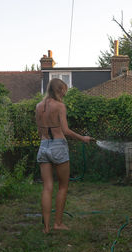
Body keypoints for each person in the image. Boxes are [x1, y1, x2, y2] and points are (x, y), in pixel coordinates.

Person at [36, 78, 95, 234]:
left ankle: (46, 227)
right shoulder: (60, 106)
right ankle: (58, 223)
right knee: (62, 186)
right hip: (58, 146)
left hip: (43, 146)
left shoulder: (38, 106)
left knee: (47, 187)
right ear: (59, 89)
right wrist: (83, 138)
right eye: (64, 90)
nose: (65, 92)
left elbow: (39, 131)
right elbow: (66, 131)